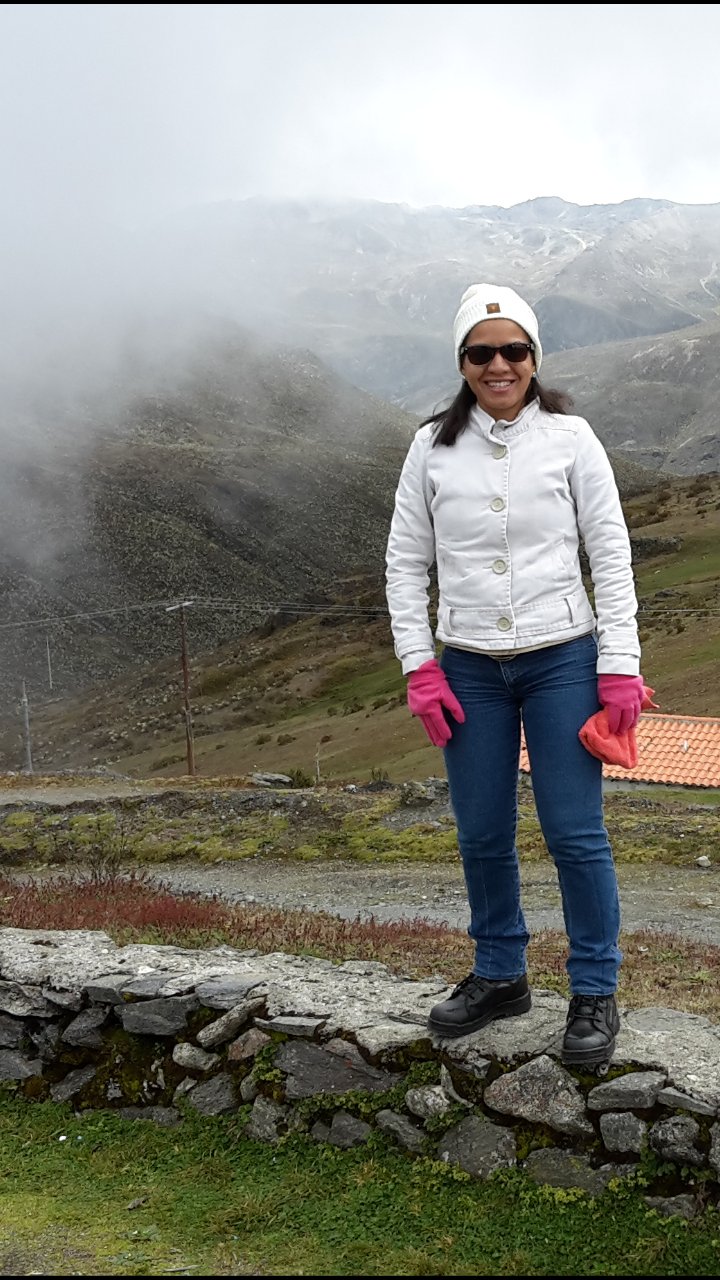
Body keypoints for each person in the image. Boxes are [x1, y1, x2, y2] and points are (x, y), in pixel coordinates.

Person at [385, 282, 647, 1069]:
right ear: (462, 361)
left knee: (574, 833)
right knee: (482, 832)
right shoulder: (431, 445)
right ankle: (501, 975)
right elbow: (405, 563)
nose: (499, 365)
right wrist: (419, 667)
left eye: (514, 350)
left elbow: (610, 551)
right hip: (467, 665)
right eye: (481, 352)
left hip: (563, 654)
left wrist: (620, 667)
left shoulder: (571, 438)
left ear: (535, 357)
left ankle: (594, 989)